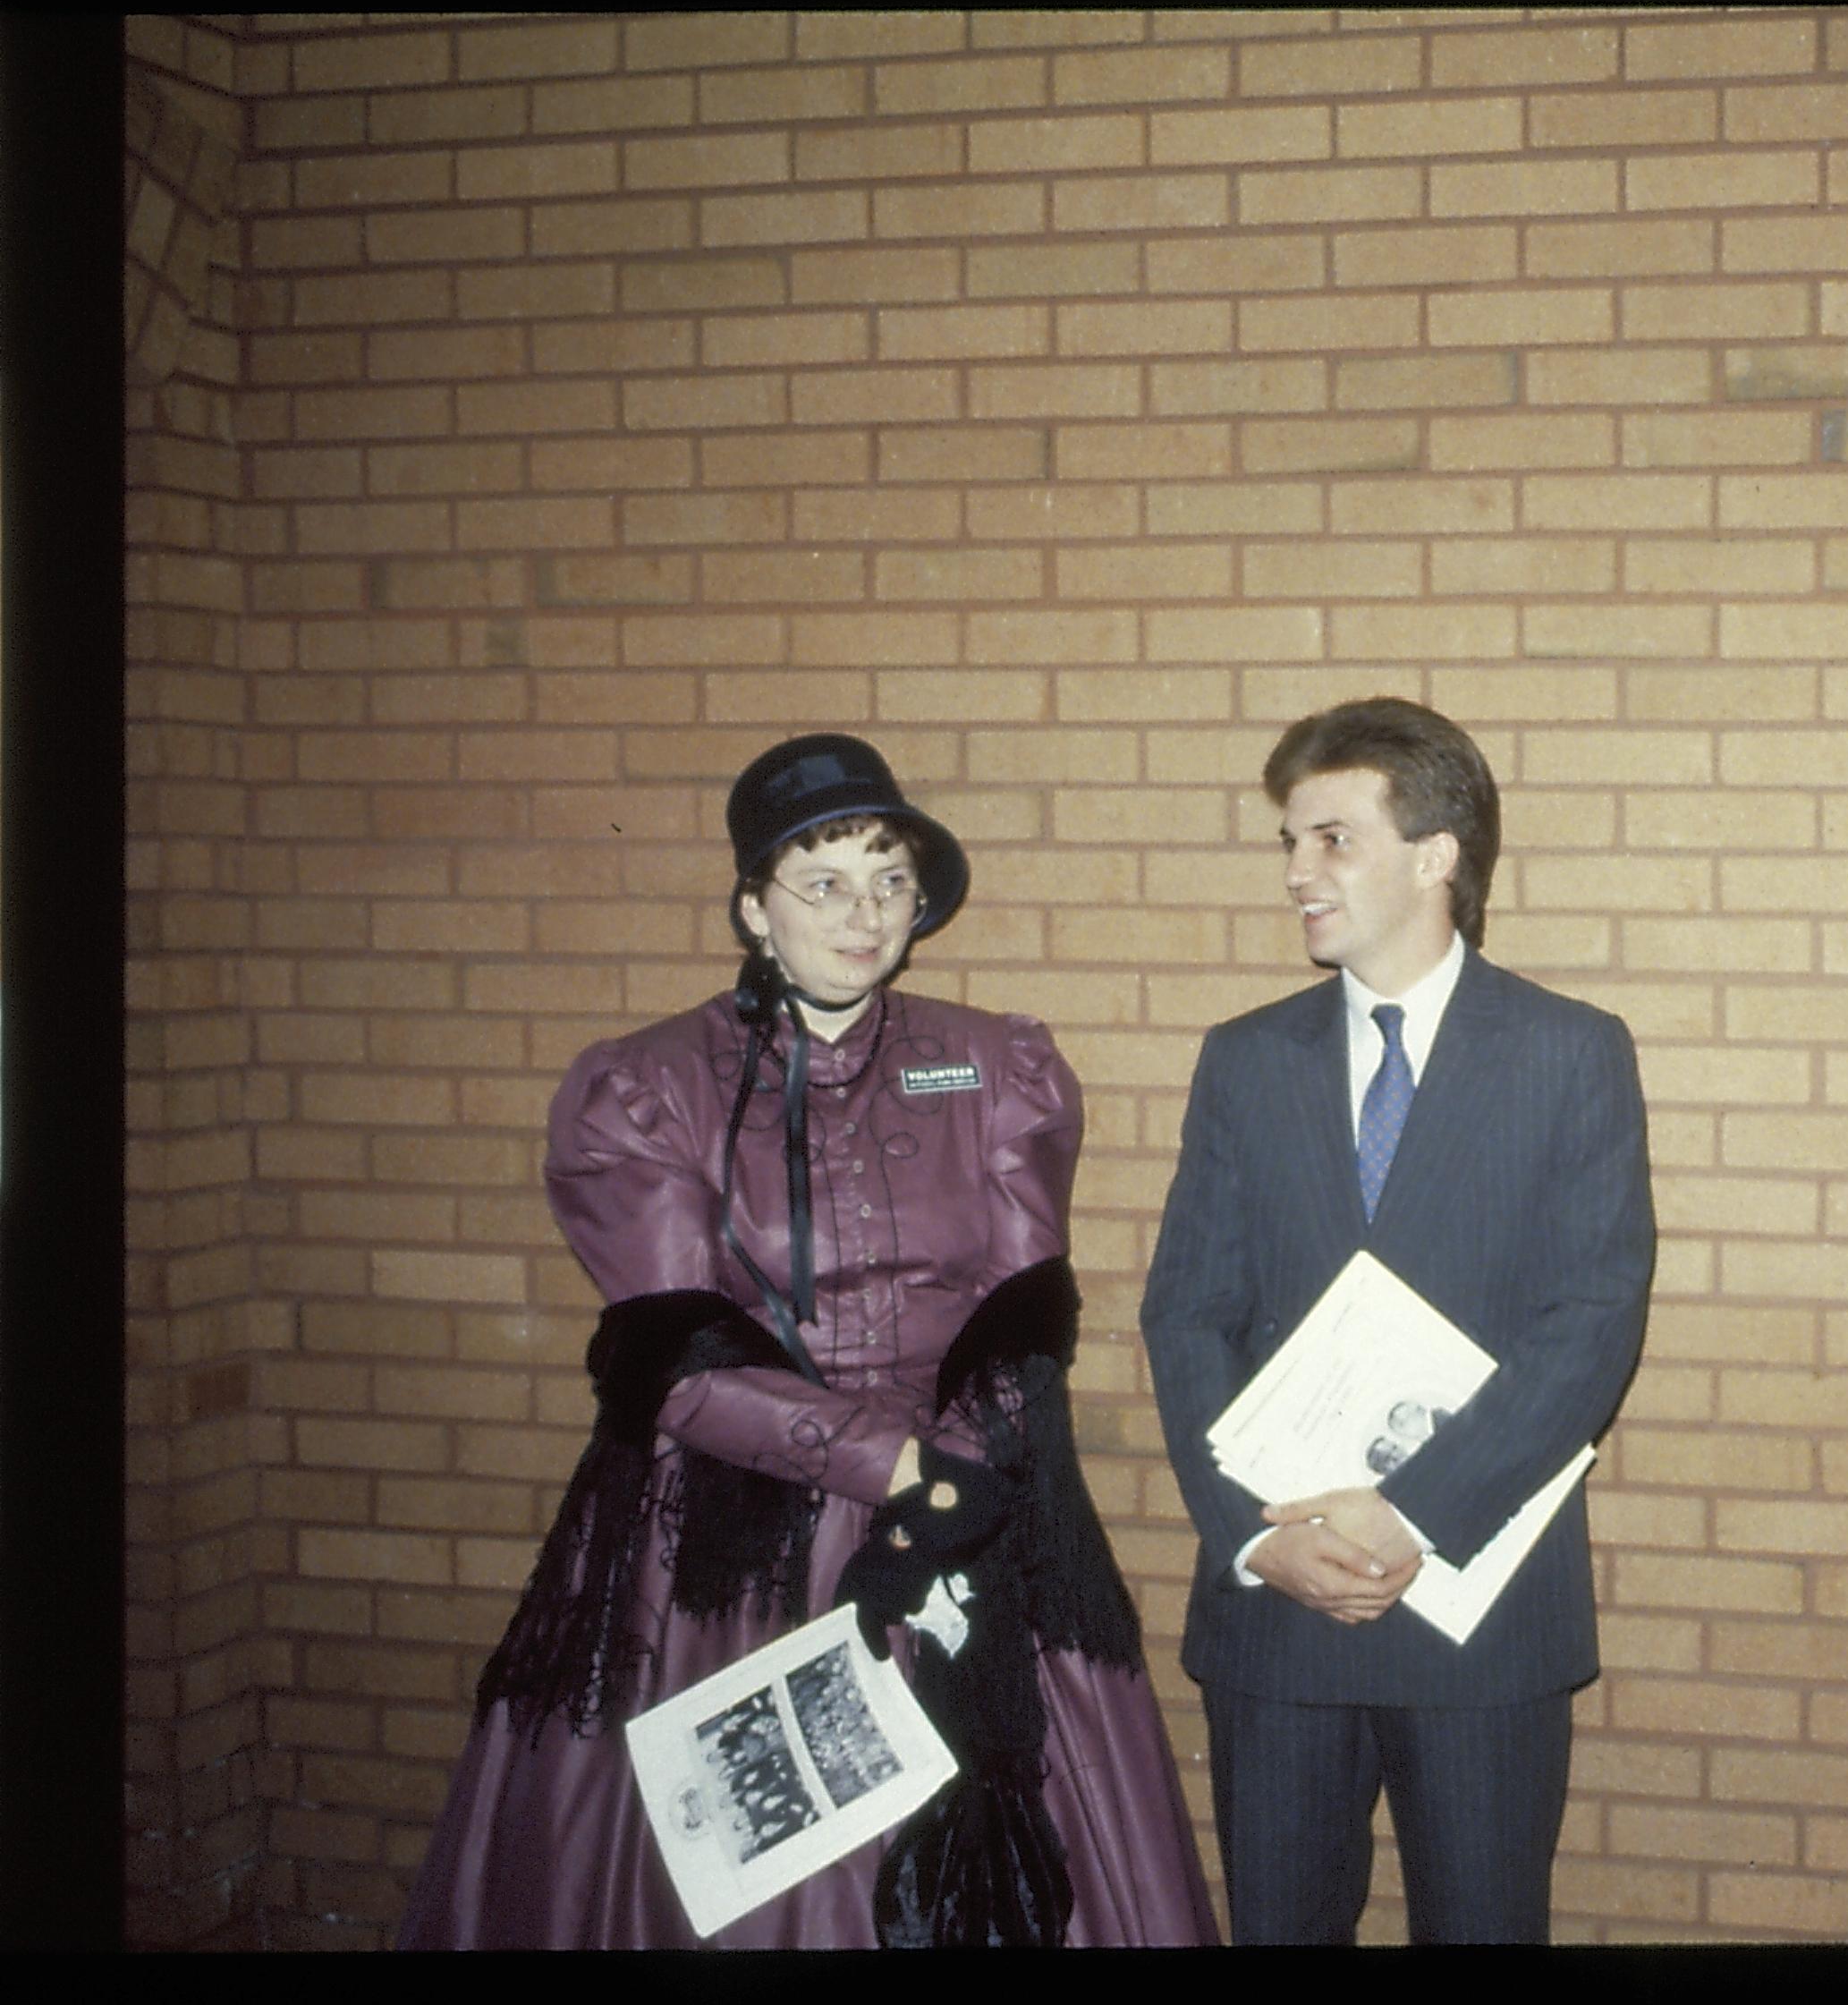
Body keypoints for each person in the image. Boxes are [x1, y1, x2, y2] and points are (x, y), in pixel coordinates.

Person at [399, 733, 1219, 1948]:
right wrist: (889, 1470)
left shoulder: (998, 1066)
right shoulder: (648, 1086)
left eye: (889, 879)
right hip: (737, 1543)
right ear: (751, 906)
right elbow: (675, 1361)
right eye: (824, 881)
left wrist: (948, 1489)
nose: (866, 912)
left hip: (970, 1500)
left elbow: (1017, 1321)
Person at [1140, 698, 1654, 1944]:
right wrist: (1254, 1543)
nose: (1298, 873)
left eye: (1331, 839)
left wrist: (1411, 1510)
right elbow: (1186, 1315)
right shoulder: (1243, 1060)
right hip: (1278, 1615)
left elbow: (1589, 1322)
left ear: (1437, 855)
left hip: (1476, 1613)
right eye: (1288, 843)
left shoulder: (1569, 1053)